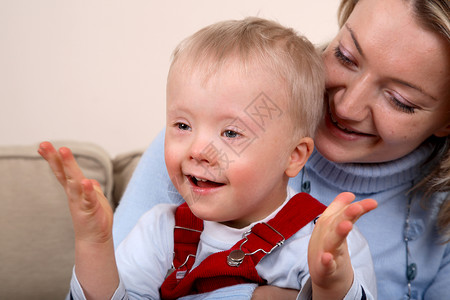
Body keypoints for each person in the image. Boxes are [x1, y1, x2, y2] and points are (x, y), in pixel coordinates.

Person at [111, 0, 450, 299]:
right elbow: (117, 290)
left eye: (399, 100)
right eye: (345, 56)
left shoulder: (441, 212)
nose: (346, 106)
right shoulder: (203, 147)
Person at [39, 18, 378, 300]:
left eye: (231, 133)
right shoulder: (162, 231)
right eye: (182, 125)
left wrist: (330, 283)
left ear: (294, 156)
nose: (198, 150)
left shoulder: (321, 241)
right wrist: (94, 242)